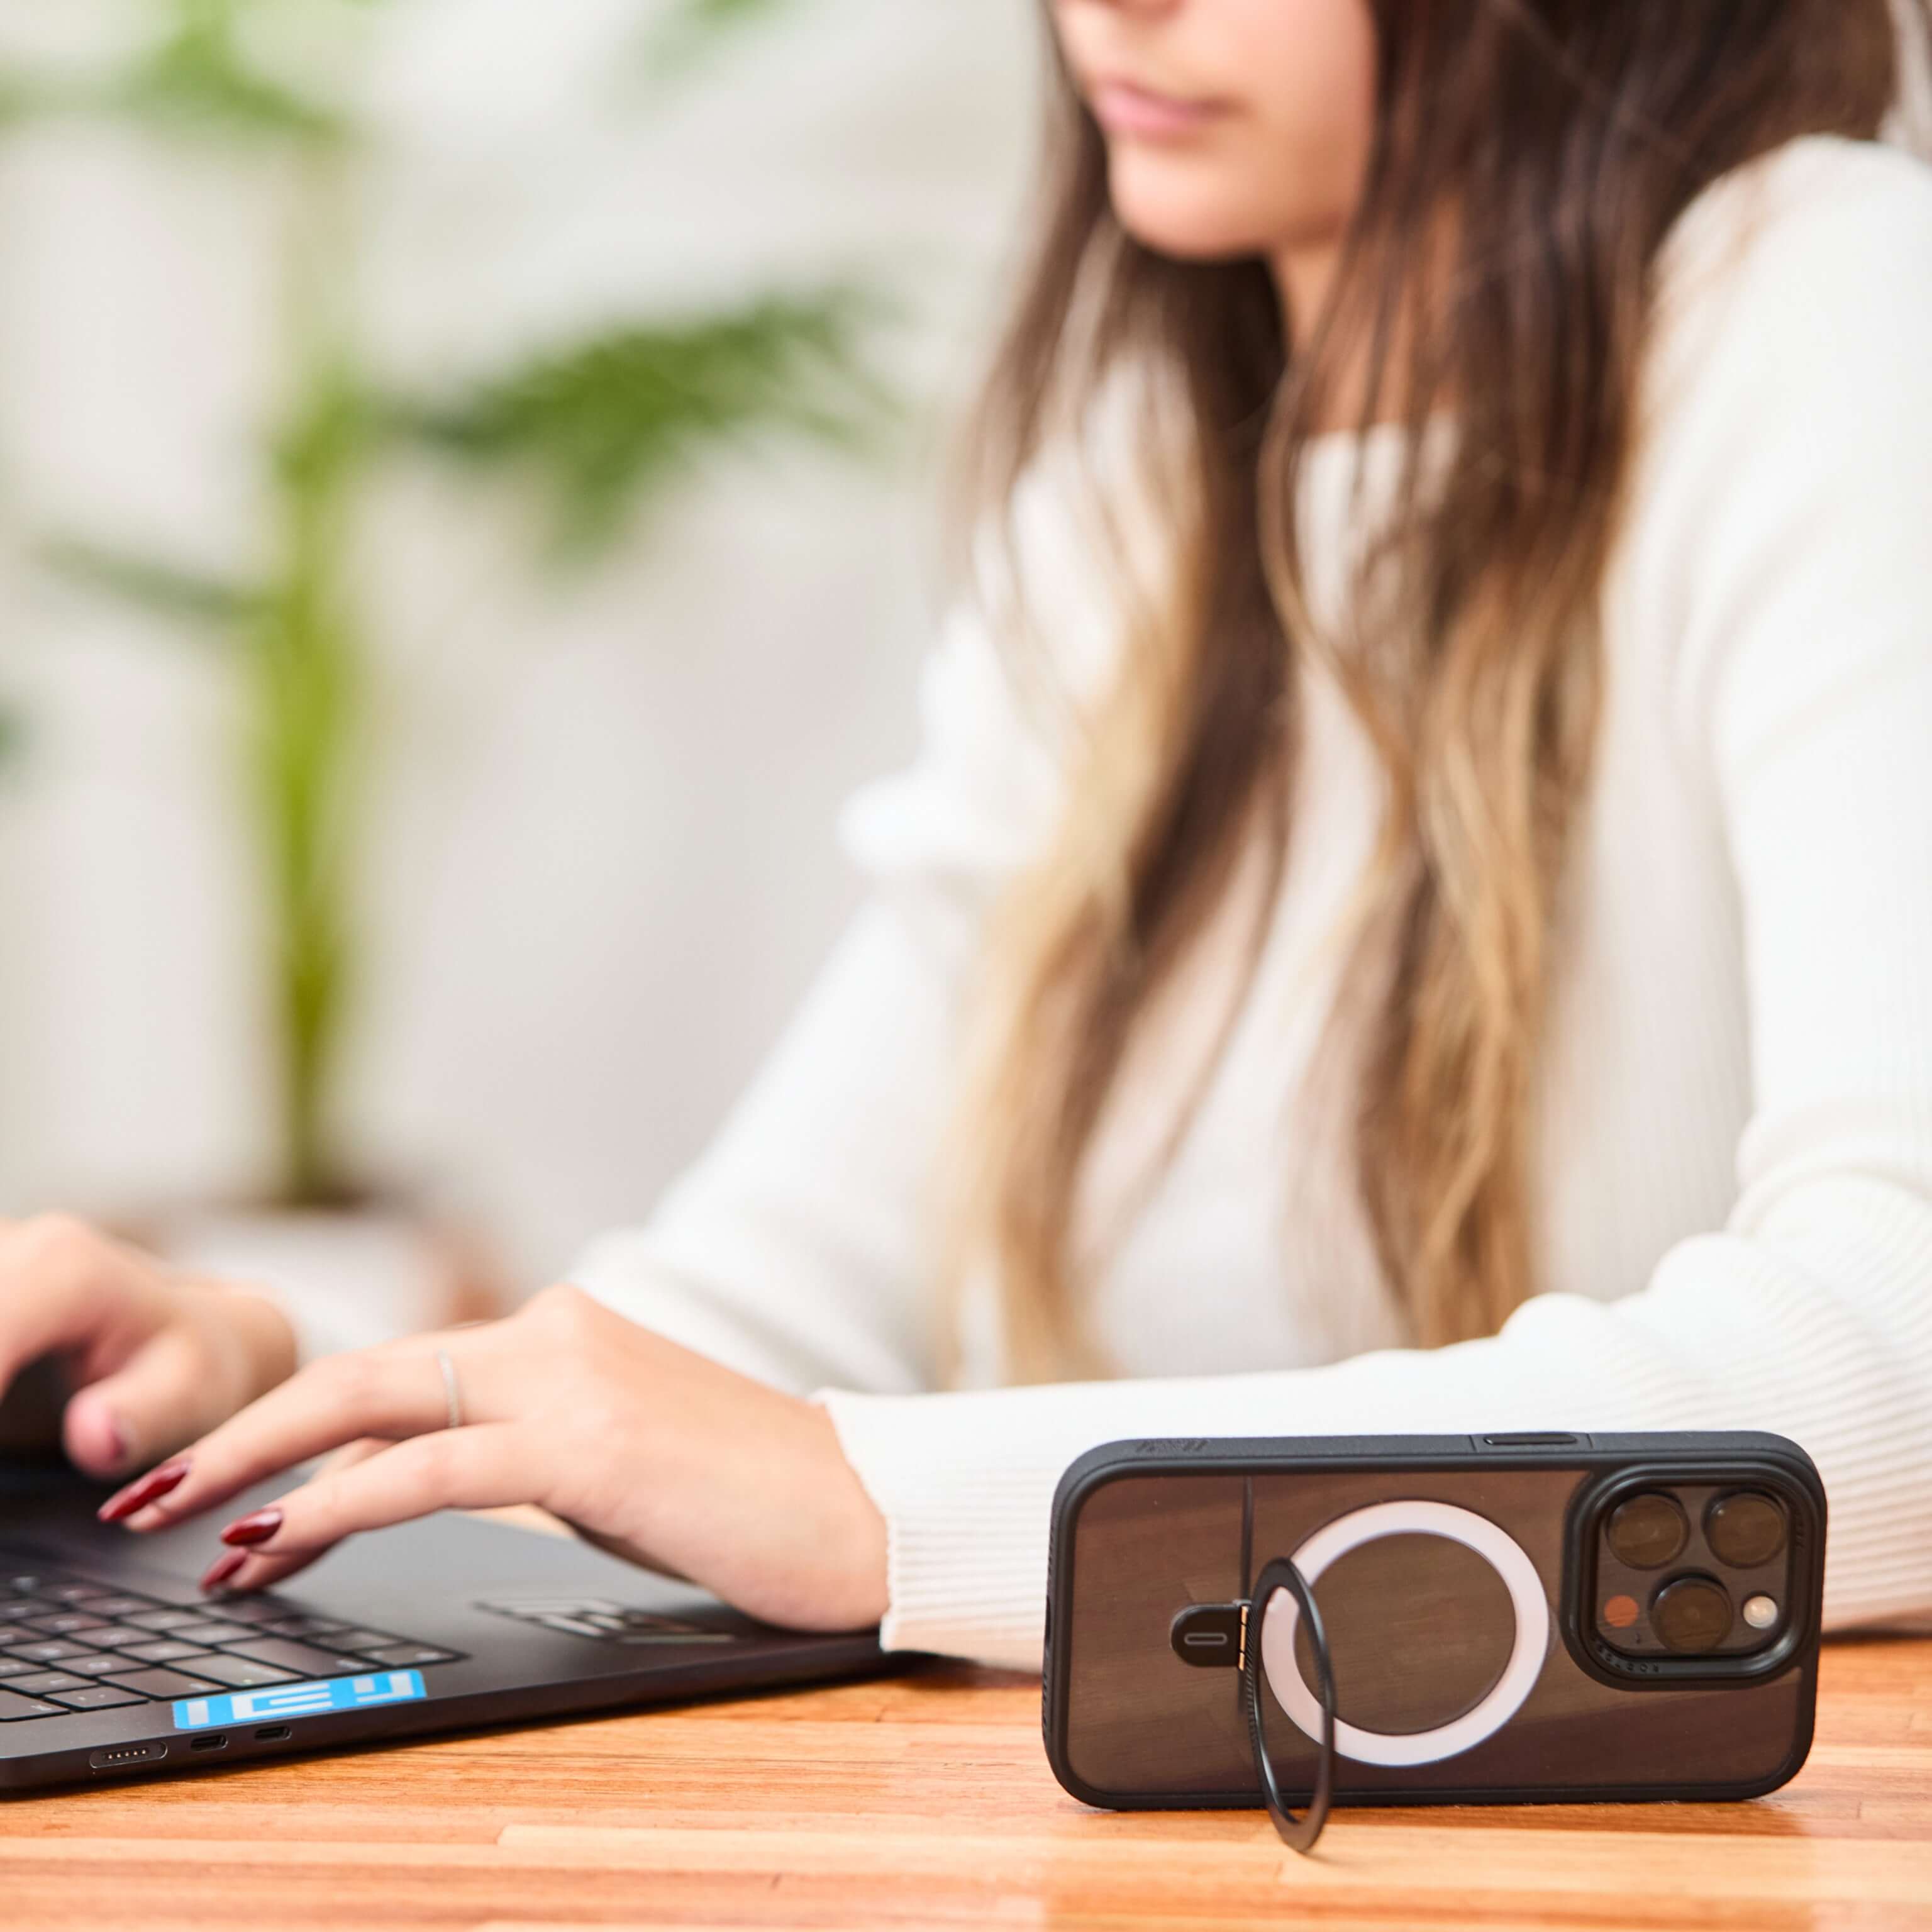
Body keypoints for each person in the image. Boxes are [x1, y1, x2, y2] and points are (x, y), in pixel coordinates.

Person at [4, 0, 1931, 1672]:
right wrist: (282, 1394)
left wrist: (897, 1504)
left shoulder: (1834, 311)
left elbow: (1902, 1344)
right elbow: (746, 1335)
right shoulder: (1138, 496)